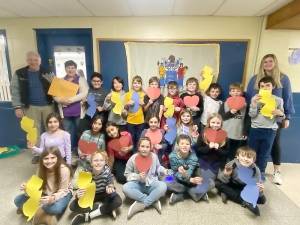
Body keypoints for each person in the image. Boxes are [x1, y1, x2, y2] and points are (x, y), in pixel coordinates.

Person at [246, 54, 295, 185]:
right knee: (253, 147)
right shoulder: (255, 79)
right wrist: (252, 106)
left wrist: (286, 116)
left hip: (274, 121)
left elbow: (287, 98)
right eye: (265, 61)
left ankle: (276, 171)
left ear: (275, 62)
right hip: (257, 120)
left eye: (270, 61)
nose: (267, 63)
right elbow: (249, 97)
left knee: (275, 144)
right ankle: (251, 170)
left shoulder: (283, 78)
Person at [10, 51, 54, 164]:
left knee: (52, 129)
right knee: (33, 131)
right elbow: (14, 91)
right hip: (30, 107)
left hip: (48, 105)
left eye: (36, 60)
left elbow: (56, 86)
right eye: (30, 60)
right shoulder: (20, 74)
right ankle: (37, 154)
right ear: (27, 61)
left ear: (40, 60)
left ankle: (52, 152)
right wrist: (17, 107)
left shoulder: (48, 71)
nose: (33, 62)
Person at [14, 147, 73, 225]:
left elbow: (63, 191)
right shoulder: (40, 168)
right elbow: (36, 187)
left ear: (58, 158)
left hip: (62, 193)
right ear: (42, 160)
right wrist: (27, 188)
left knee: (55, 209)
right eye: (46, 158)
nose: (49, 161)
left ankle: (38, 213)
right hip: (45, 193)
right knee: (18, 200)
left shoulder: (64, 170)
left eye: (52, 158)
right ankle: (45, 216)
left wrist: (52, 199)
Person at [70, 151, 122, 225]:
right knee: (72, 206)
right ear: (91, 163)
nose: (98, 163)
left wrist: (110, 187)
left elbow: (110, 181)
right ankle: (106, 208)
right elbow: (81, 188)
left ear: (105, 162)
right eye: (96, 160)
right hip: (91, 195)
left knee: (118, 201)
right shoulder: (86, 172)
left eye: (101, 160)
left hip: (104, 193)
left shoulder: (107, 171)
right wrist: (77, 195)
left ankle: (88, 216)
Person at [248, 76, 285, 181]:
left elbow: (282, 116)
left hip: (270, 131)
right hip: (255, 129)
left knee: (264, 153)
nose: (264, 88)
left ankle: (261, 173)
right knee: (252, 152)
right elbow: (251, 115)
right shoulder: (255, 98)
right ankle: (250, 172)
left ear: (273, 86)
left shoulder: (278, 100)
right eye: (262, 86)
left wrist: (280, 114)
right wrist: (254, 104)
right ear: (259, 87)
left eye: (267, 85)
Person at [122, 137, 168, 219]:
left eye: (147, 147)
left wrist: (164, 170)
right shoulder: (133, 158)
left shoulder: (154, 156)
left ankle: (142, 204)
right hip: (138, 184)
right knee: (125, 188)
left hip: (151, 182)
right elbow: (126, 174)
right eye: (142, 146)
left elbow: (158, 167)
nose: (145, 149)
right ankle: (153, 200)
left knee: (163, 186)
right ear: (138, 147)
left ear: (150, 148)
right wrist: (137, 176)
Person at [216, 146, 266, 216]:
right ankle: (244, 201)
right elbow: (221, 179)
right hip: (232, 183)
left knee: (262, 200)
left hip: (244, 187)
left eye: (249, 157)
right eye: (242, 156)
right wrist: (226, 174)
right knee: (217, 183)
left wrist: (260, 191)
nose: (245, 159)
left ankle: (227, 193)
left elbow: (255, 186)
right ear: (237, 156)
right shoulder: (231, 164)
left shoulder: (255, 170)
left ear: (253, 160)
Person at [54, 60, 88, 153]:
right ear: (65, 69)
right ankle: (69, 151)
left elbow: (84, 93)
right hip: (65, 113)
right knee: (67, 133)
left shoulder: (81, 79)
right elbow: (55, 95)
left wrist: (70, 100)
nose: (71, 69)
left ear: (75, 69)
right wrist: (60, 100)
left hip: (78, 112)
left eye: (73, 67)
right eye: (68, 67)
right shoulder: (60, 80)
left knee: (80, 132)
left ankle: (81, 151)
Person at [168, 135, 209, 204]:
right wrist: (188, 178)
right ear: (177, 145)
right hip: (178, 177)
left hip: (191, 177)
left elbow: (189, 173)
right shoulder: (172, 156)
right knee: (165, 180)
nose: (185, 146)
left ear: (190, 146)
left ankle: (181, 194)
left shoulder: (193, 157)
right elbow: (174, 171)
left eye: (187, 144)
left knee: (210, 182)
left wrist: (193, 178)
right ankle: (194, 193)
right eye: (182, 143)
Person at [73, 115, 106, 187]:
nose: (96, 126)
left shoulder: (102, 137)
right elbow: (79, 146)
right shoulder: (85, 133)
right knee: (75, 185)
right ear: (92, 123)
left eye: (99, 124)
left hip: (94, 166)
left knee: (91, 187)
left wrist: (92, 157)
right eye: (95, 123)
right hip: (82, 164)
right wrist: (80, 154)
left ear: (102, 126)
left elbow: (102, 153)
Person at [219, 83, 248, 160]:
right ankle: (222, 167)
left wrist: (245, 132)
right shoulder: (224, 104)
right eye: (233, 90)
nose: (235, 92)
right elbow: (221, 117)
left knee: (233, 153)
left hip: (238, 133)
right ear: (230, 92)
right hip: (226, 132)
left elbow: (247, 120)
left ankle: (231, 167)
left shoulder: (245, 106)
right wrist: (231, 112)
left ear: (241, 92)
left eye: (238, 91)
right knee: (223, 152)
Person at [195, 113, 229, 178]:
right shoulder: (203, 134)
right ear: (209, 122)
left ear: (221, 124)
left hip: (217, 163)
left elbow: (226, 153)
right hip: (203, 161)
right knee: (202, 177)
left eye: (218, 123)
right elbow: (198, 149)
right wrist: (208, 147)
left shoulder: (225, 136)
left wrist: (218, 148)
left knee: (211, 179)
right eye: (213, 122)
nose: (215, 125)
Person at [125, 75, 145, 149]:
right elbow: (125, 109)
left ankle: (139, 153)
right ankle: (133, 154)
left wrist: (143, 104)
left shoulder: (144, 94)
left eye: (138, 83)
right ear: (132, 84)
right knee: (131, 139)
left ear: (141, 85)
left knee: (140, 139)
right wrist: (127, 104)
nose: (137, 85)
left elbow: (145, 109)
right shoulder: (128, 94)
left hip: (140, 121)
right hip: (130, 121)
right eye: (135, 83)